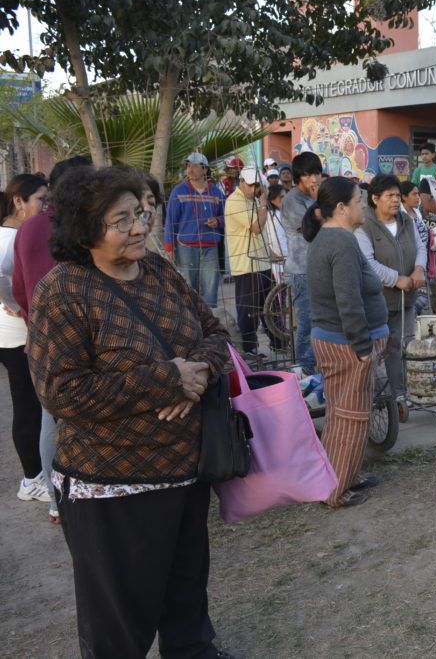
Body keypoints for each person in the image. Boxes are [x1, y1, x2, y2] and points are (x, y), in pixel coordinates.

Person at [27, 165, 232, 659]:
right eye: (122, 220)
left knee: (186, 592)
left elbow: (215, 332)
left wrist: (198, 371)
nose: (140, 227)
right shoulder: (63, 291)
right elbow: (61, 392)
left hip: (186, 471)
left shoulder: (158, 270)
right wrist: (166, 379)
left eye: (142, 213)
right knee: (118, 617)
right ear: (85, 229)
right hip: (112, 485)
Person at [12, 155, 91, 523]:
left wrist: (32, 318)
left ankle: (56, 501)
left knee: (50, 420)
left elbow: (17, 287)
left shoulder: (28, 228)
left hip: (40, 339)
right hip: (80, 338)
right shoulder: (81, 226)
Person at [306, 177, 389, 508]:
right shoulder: (340, 242)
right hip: (346, 345)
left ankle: (346, 475)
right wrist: (363, 347)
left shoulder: (333, 238)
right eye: (358, 201)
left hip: (341, 341)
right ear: (341, 208)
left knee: (346, 413)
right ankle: (335, 491)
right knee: (348, 417)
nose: (363, 207)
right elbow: (348, 300)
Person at [354, 174, 426, 423]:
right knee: (374, 351)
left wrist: (419, 269)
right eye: (390, 196)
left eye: (397, 195)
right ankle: (371, 398)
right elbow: (368, 263)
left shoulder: (406, 220)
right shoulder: (364, 225)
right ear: (375, 199)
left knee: (400, 347)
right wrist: (396, 278)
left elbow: (420, 247)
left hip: (406, 299)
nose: (396, 200)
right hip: (377, 301)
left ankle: (399, 395)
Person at [0, 174, 47, 504]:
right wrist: (18, 306)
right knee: (28, 406)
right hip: (15, 336)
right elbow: (3, 279)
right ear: (19, 201)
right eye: (40, 200)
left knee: (32, 405)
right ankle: (32, 479)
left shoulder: (17, 233)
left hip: (17, 333)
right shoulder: (10, 238)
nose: (45, 207)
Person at [224, 166, 283, 357]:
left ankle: (279, 343)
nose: (254, 189)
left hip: (262, 262)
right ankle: (249, 349)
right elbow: (257, 227)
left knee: (271, 307)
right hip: (245, 265)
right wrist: (264, 203)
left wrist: (270, 253)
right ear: (241, 182)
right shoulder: (234, 201)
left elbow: (261, 235)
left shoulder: (255, 200)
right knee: (249, 311)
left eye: (257, 185)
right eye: (251, 185)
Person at [280, 151, 323, 375]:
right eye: (307, 175)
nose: (314, 179)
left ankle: (315, 369)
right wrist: (319, 202)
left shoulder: (315, 198)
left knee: (321, 321)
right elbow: (311, 228)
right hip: (301, 270)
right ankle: (304, 373)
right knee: (307, 323)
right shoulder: (292, 200)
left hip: (320, 267)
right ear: (298, 177)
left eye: (316, 173)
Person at [163, 152, 225, 309]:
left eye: (195, 166)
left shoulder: (216, 193)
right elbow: (170, 221)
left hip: (210, 248)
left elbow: (226, 218)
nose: (190, 170)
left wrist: (217, 221)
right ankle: (191, 320)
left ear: (205, 169)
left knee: (211, 288)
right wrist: (169, 248)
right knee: (188, 289)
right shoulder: (178, 191)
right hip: (186, 248)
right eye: (188, 166)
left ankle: (209, 319)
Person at [400, 180, 431, 312]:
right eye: (414, 194)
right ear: (404, 196)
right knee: (417, 294)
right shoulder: (400, 214)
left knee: (422, 294)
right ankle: (410, 316)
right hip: (409, 259)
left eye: (418, 194)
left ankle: (413, 316)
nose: (418, 197)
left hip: (421, 258)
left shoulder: (416, 211)